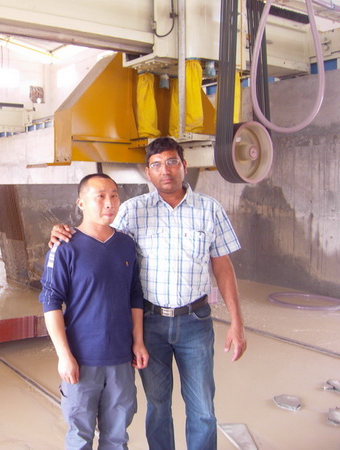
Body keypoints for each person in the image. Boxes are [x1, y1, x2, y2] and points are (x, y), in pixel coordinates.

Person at [50, 138, 247, 450]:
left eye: (171, 162)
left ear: (184, 166)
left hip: (195, 323)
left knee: (203, 408)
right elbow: (98, 231)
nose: (165, 170)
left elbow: (223, 267)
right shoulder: (132, 211)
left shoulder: (210, 210)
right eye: (156, 165)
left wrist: (237, 323)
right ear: (148, 172)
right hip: (150, 323)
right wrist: (64, 233)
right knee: (157, 406)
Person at [39, 173, 149, 449]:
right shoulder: (64, 247)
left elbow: (135, 294)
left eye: (113, 196)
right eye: (100, 196)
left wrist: (137, 341)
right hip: (82, 359)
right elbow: (51, 301)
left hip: (121, 359)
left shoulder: (126, 244)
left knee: (117, 436)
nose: (109, 203)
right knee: (80, 436)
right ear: (81, 203)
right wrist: (64, 356)